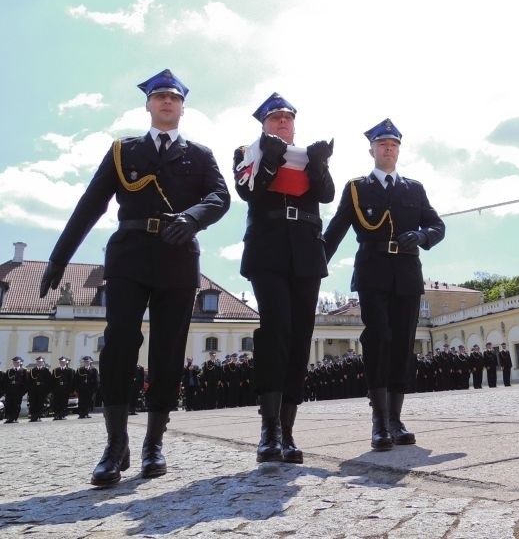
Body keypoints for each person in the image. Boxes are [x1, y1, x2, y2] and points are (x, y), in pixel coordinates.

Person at [39, 69, 230, 487]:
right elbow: (90, 203)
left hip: (178, 256)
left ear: (183, 106)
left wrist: (192, 219)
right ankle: (114, 444)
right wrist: (58, 257)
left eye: (174, 98)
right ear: (148, 105)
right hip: (129, 254)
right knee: (120, 343)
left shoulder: (199, 154)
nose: (167, 103)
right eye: (160, 96)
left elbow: (220, 197)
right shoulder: (124, 151)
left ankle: (154, 443)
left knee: (168, 349)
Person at [323, 117, 444, 451]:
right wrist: (314, 263)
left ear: (398, 150)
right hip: (373, 272)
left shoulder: (414, 188)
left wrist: (421, 235)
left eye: (393, 144)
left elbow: (437, 225)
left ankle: (396, 418)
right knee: (379, 340)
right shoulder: (357, 187)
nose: (388, 149)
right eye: (382, 144)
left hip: (407, 274)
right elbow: (335, 230)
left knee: (403, 344)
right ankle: (379, 422)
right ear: (372, 149)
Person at [234, 92, 334, 463]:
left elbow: (326, 195)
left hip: (307, 251)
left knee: (299, 337)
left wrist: (319, 165)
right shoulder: (248, 153)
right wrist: (272, 158)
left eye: (288, 118)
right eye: (275, 118)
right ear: (263, 124)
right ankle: (269, 429)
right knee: (276, 331)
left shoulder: (307, 155)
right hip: (268, 249)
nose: (283, 123)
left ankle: (288, 431)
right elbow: (248, 190)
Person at [4, 357, 27, 423]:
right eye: (14, 362)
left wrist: (22, 392)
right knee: (8, 405)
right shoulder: (9, 371)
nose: (16, 363)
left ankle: (14, 418)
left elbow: (26, 383)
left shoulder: (23, 371)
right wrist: (6, 391)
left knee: (16, 405)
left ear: (20, 363)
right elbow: (5, 382)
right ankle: (9, 418)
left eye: (17, 362)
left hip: (18, 392)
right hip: (9, 392)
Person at [51, 356, 75, 420]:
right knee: (56, 402)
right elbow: (52, 381)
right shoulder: (55, 370)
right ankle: (56, 415)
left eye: (63, 362)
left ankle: (63, 415)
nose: (62, 363)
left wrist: (71, 390)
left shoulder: (70, 371)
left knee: (64, 402)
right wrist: (53, 390)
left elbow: (72, 381)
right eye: (61, 362)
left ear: (66, 362)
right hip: (57, 390)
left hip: (65, 390)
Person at [28, 356, 51, 422]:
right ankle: (33, 416)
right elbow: (29, 381)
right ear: (36, 362)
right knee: (33, 404)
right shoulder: (32, 370)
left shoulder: (46, 370)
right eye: (38, 362)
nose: (39, 363)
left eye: (41, 362)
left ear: (43, 362)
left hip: (42, 391)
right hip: (34, 391)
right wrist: (30, 390)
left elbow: (49, 382)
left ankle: (38, 416)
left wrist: (46, 391)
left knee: (40, 404)